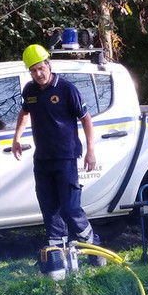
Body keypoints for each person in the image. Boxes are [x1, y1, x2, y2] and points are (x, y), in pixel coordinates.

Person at [12, 44, 104, 264]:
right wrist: (16, 138)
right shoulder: (30, 91)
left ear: (48, 65)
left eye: (41, 68)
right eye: (33, 70)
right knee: (49, 208)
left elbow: (86, 119)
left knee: (71, 207)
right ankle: (58, 256)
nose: (38, 74)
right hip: (42, 160)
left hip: (66, 158)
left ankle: (93, 246)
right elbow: (25, 112)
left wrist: (91, 151)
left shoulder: (66, 89)